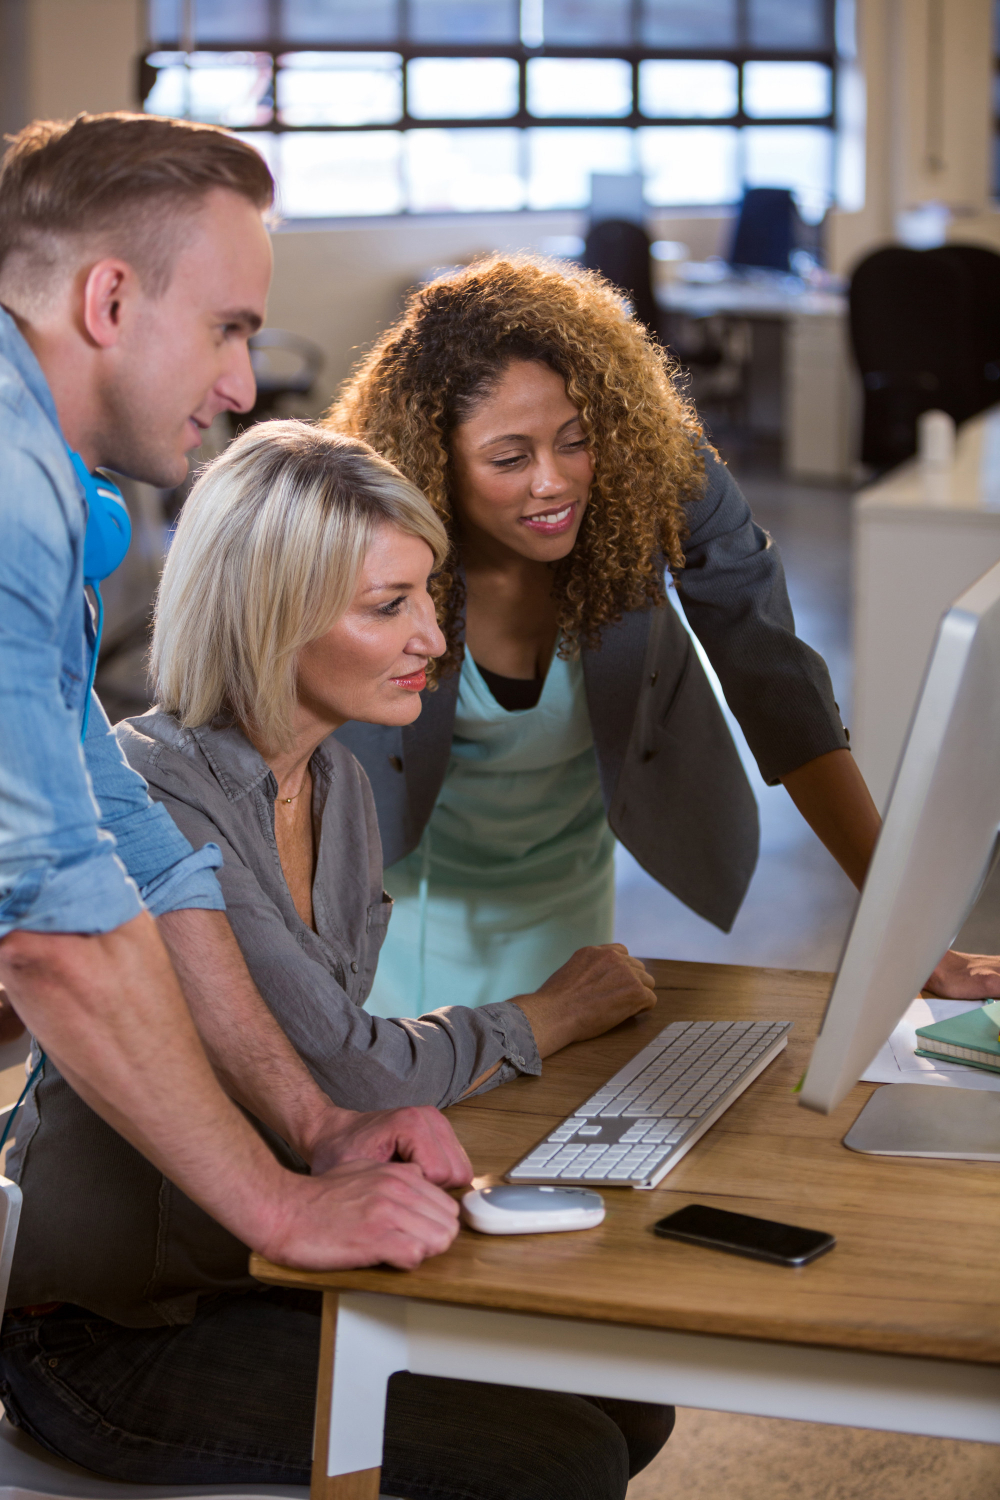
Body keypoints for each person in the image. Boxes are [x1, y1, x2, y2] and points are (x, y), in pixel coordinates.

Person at [1, 420, 669, 1499]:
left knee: (628, 1398)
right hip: (110, 1335)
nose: (432, 641)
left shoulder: (343, 785)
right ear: (273, 619)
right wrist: (546, 1013)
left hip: (265, 1270)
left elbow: (336, 1067)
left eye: (425, 598)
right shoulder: (157, 789)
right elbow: (351, 1071)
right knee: (562, 1458)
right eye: (386, 607)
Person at [0, 105, 471, 1444]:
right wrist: (278, 1206)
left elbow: (130, 849)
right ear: (106, 298)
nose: (243, 381)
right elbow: (53, 930)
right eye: (229, 326)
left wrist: (318, 1128)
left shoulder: (51, 497)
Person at [324, 253, 1000, 1015]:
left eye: (576, 441)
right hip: (398, 916)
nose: (554, 482)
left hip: (569, 913)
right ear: (433, 463)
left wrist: (909, 934)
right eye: (509, 458)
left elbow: (778, 681)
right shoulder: (361, 537)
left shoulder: (654, 480)